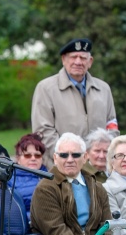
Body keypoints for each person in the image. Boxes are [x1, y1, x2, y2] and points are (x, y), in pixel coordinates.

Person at [31, 38, 119, 169]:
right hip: (63, 167)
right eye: (73, 57)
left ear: (90, 62)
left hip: (99, 167)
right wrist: (69, 157)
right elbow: (43, 131)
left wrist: (105, 153)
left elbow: (111, 125)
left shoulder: (103, 88)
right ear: (64, 60)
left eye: (83, 58)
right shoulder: (46, 88)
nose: (78, 62)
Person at [10, 132, 47, 220]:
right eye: (27, 155)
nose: (33, 158)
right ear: (18, 159)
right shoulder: (10, 180)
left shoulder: (51, 177)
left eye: (37, 155)